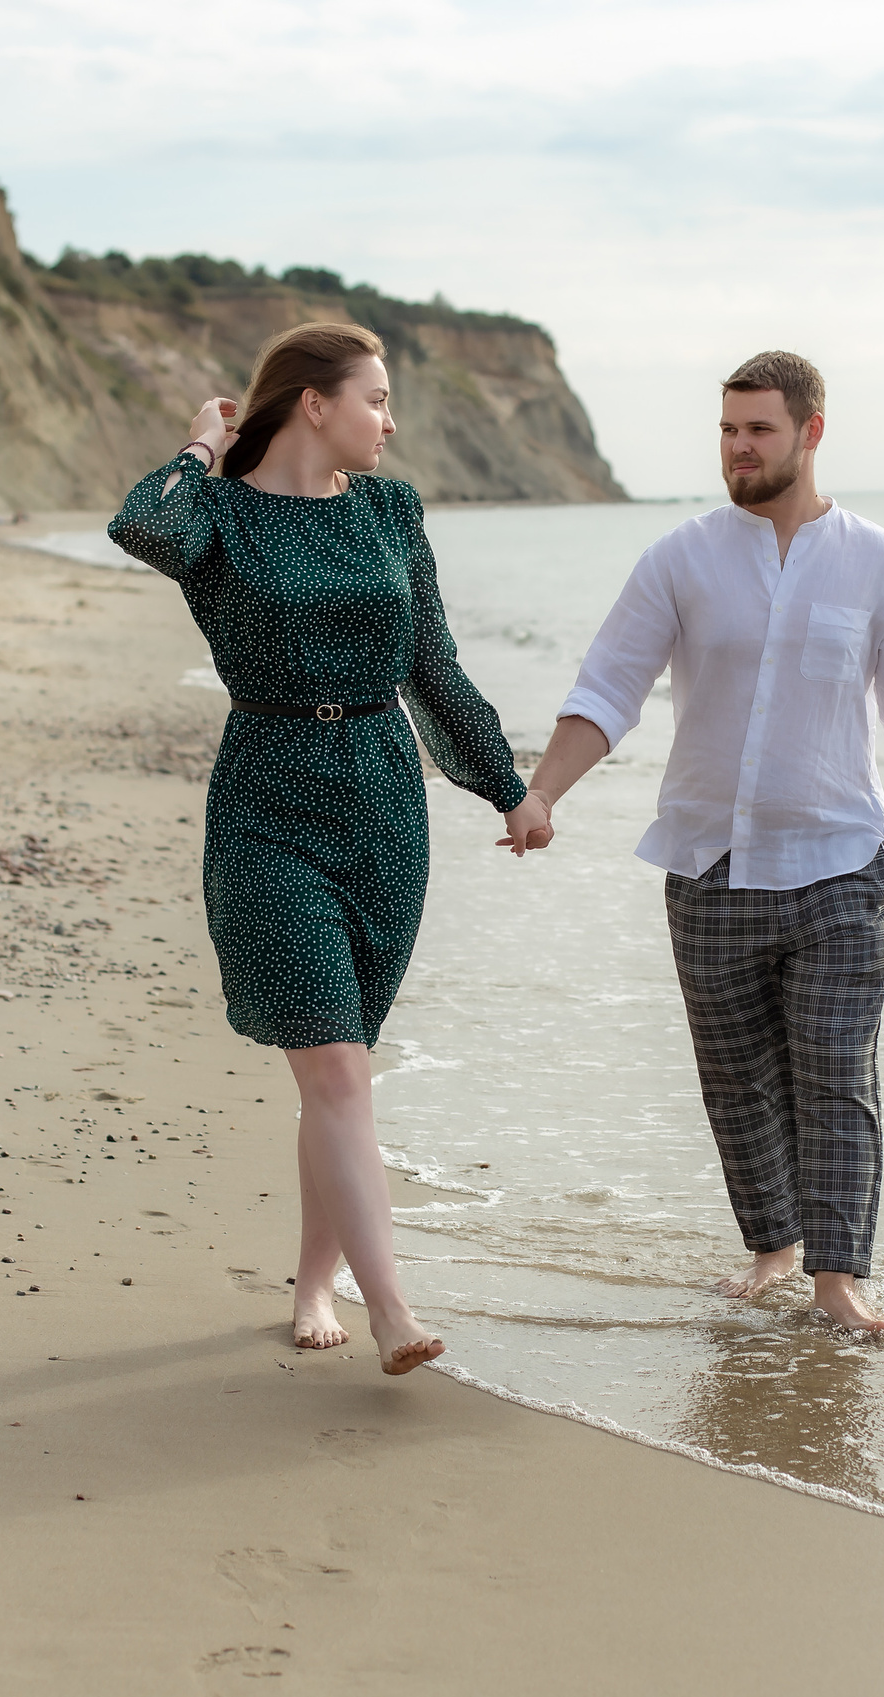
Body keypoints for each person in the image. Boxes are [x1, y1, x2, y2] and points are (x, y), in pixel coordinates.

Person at [107, 322, 552, 1375]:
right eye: (376, 399)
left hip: (385, 804)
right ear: (314, 402)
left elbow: (432, 666)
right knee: (338, 1075)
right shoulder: (213, 515)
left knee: (337, 1070)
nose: (390, 422)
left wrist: (507, 784)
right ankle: (391, 1308)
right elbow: (141, 529)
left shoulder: (392, 512)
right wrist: (199, 448)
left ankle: (314, 1282)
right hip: (267, 803)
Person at [521, 351, 884, 1334]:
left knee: (836, 1073)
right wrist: (544, 791)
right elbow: (607, 688)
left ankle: (839, 1280)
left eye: (758, 430)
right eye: (727, 430)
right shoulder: (680, 558)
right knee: (737, 1082)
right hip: (706, 864)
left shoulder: (880, 564)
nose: (738, 448)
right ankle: (773, 1247)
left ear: (809, 433)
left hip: (841, 864)